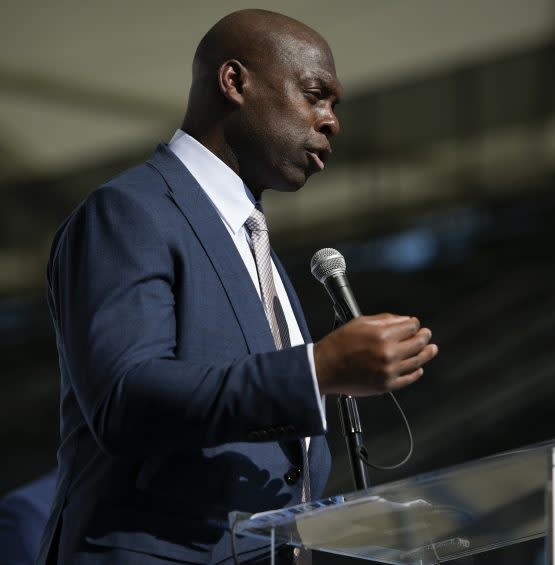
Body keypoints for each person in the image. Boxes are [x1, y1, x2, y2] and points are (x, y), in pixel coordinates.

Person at [36, 9, 438, 565]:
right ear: (234, 82)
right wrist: (315, 371)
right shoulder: (129, 212)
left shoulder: (257, 248)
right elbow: (124, 397)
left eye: (334, 107)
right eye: (316, 95)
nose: (331, 122)